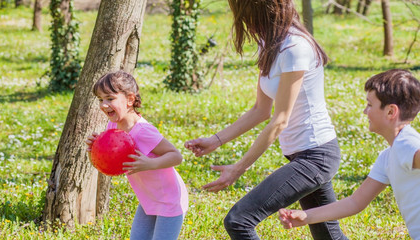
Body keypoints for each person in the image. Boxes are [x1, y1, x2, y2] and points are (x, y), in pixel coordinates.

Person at [185, 0, 348, 239]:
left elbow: (280, 120)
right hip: (302, 155)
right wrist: (216, 141)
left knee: (239, 221)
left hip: (317, 156)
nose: (243, 22)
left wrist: (238, 169)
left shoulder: (295, 47)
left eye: (243, 14)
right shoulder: (270, 44)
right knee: (328, 235)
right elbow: (260, 110)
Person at [279, 69, 420, 239]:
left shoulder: (407, 144)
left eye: (369, 105)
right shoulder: (388, 156)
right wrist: (306, 216)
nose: (365, 111)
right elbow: (355, 202)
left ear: (391, 112)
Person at [86, 71, 188, 240]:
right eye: (100, 99)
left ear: (130, 100)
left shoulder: (143, 131)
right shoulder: (113, 126)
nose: (104, 105)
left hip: (170, 200)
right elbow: (107, 166)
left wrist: (149, 163)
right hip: (148, 199)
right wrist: (94, 151)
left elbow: (176, 156)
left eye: (110, 99)